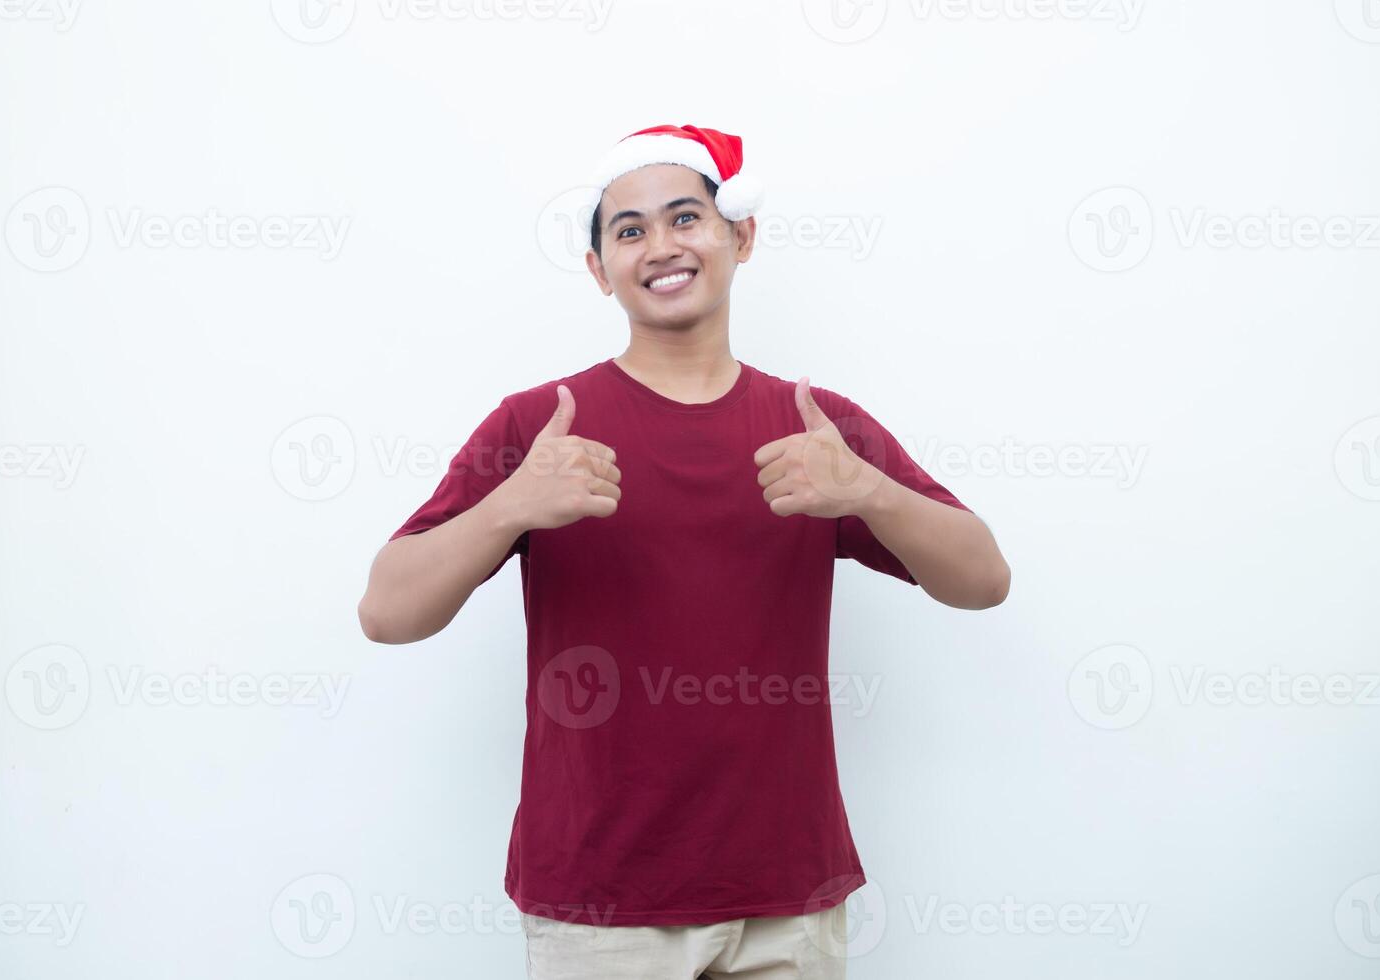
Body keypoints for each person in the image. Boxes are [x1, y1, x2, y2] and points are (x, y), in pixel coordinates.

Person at [357, 124, 1012, 979]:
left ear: (740, 236)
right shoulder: (537, 428)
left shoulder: (817, 428)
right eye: (628, 231)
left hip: (788, 897)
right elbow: (386, 612)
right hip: (598, 904)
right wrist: (511, 504)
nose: (661, 247)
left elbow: (984, 579)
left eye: (685, 218)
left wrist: (870, 492)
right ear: (599, 270)